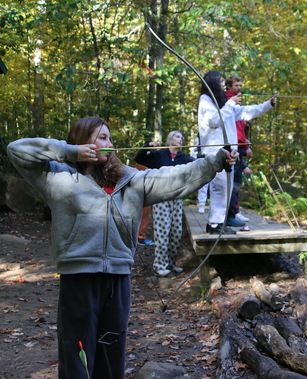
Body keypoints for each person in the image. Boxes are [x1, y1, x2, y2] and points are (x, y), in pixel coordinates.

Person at [7, 117, 236, 379]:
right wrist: (71, 152)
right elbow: (17, 149)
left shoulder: (131, 180)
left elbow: (177, 177)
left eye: (110, 138)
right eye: (101, 137)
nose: (109, 143)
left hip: (118, 279)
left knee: (111, 352)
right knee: (77, 353)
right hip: (79, 278)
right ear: (83, 141)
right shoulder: (58, 176)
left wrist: (216, 161)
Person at [198, 70, 275, 234]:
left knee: (226, 188)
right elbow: (214, 121)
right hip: (215, 152)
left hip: (229, 153)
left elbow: (247, 112)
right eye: (220, 81)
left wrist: (268, 104)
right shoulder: (206, 100)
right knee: (220, 188)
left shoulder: (223, 103)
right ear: (212, 83)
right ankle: (214, 224)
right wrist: (231, 103)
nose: (222, 84)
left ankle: (218, 223)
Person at [135, 130, 194, 276]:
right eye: (177, 136)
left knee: (176, 233)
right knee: (163, 232)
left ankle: (171, 263)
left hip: (177, 199)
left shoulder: (184, 158)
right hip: (161, 198)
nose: (181, 139)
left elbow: (200, 162)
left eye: (182, 137)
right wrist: (149, 145)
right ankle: (160, 265)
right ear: (170, 139)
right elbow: (139, 158)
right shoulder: (159, 155)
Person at [225, 75, 254, 227]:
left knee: (237, 183)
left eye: (240, 85)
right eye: (236, 85)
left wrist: (247, 145)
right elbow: (232, 130)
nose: (239, 88)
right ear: (229, 86)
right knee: (233, 184)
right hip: (233, 148)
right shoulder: (228, 102)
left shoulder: (237, 103)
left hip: (241, 147)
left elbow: (242, 129)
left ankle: (234, 212)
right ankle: (230, 215)